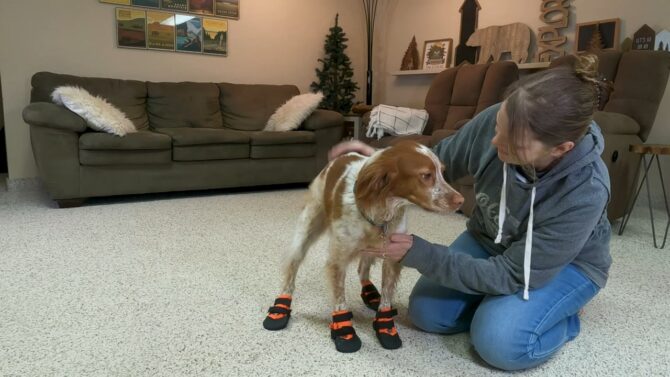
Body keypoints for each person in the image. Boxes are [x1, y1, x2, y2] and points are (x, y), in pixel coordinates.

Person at [329, 55, 612, 371]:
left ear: (561, 149)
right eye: (497, 127)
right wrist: (374, 169)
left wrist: (419, 252)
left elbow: (511, 274)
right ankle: (498, 304)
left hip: (564, 266)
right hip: (490, 239)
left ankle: (561, 317)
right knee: (426, 314)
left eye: (513, 142)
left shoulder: (585, 190)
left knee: (500, 343)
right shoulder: (504, 120)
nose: (495, 143)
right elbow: (435, 162)